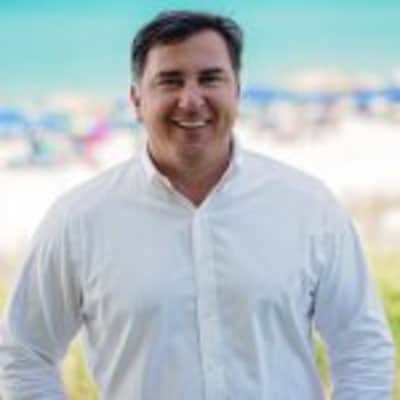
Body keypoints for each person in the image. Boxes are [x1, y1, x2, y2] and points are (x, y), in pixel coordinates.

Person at [0, 10, 394, 400]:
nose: (191, 100)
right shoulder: (78, 220)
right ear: (137, 100)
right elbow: (24, 354)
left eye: (210, 79)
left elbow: (363, 348)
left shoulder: (309, 207)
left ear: (237, 91)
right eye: (170, 81)